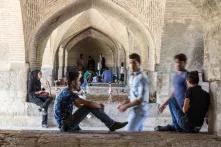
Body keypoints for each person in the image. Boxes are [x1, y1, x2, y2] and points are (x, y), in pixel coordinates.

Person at [54, 70, 128, 132]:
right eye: (79, 80)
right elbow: (87, 104)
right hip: (65, 126)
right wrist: (98, 106)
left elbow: (79, 106)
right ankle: (112, 124)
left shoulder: (66, 92)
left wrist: (94, 108)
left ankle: (112, 124)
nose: (80, 82)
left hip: (66, 124)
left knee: (90, 106)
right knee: (89, 106)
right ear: (73, 82)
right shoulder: (68, 93)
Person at [155, 53, 188, 131]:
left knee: (172, 100)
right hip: (177, 105)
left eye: (180, 62)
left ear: (184, 63)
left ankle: (177, 126)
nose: (178, 64)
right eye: (176, 62)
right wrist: (164, 104)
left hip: (184, 107)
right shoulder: (176, 75)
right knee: (171, 100)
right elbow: (174, 92)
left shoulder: (186, 75)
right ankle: (175, 125)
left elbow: (190, 92)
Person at [117, 53, 149, 132]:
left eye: (134, 62)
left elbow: (140, 100)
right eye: (130, 62)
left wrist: (125, 106)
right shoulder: (132, 77)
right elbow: (133, 95)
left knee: (129, 132)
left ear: (139, 63)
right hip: (134, 110)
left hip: (140, 111)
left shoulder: (142, 78)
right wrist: (125, 102)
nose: (132, 65)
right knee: (137, 136)